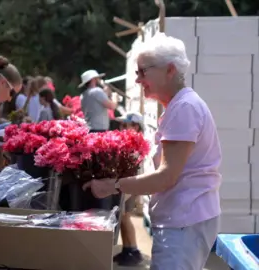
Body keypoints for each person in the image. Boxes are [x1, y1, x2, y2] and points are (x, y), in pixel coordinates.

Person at [82, 33, 221, 270]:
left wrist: (113, 185)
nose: (138, 80)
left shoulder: (185, 108)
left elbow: (165, 177)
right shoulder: (179, 106)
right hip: (183, 219)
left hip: (184, 221)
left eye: (143, 72)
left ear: (169, 70)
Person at [113, 112, 145, 266]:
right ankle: (127, 250)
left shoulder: (137, 143)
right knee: (123, 216)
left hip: (131, 184)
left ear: (136, 127)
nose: (121, 128)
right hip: (126, 182)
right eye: (121, 125)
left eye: (125, 125)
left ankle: (134, 251)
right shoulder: (128, 141)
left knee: (125, 217)